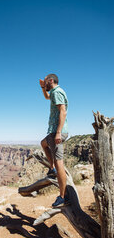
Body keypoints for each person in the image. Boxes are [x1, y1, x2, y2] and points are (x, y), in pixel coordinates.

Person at [39, 73, 69, 208]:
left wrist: (58, 133)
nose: (45, 83)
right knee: (43, 144)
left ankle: (62, 196)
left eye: (46, 81)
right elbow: (46, 97)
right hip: (53, 132)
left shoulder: (57, 92)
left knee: (59, 164)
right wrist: (42, 88)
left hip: (56, 132)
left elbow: (63, 111)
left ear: (51, 80)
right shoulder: (54, 92)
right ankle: (52, 168)